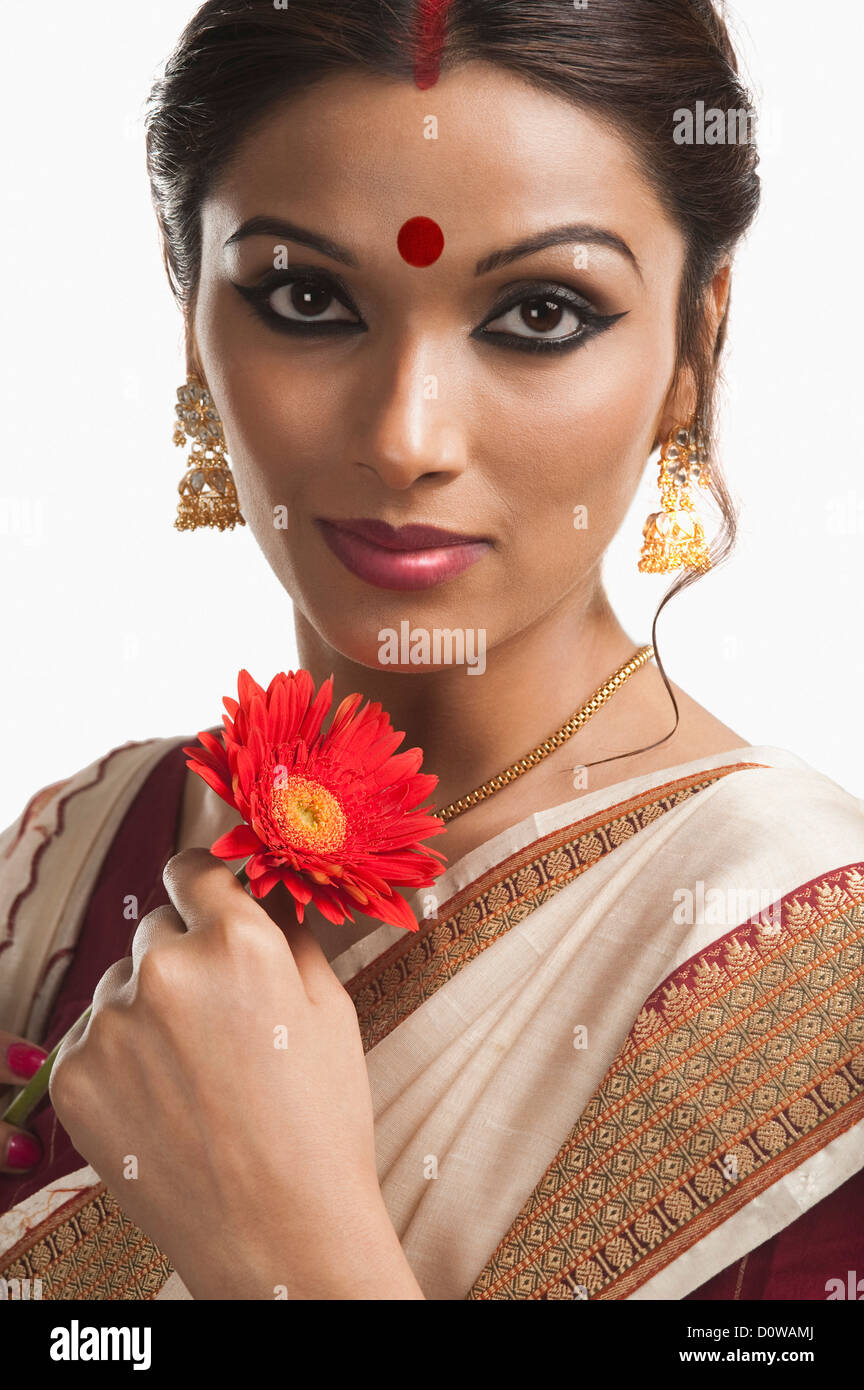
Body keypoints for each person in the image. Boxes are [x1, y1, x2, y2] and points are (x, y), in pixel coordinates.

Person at [1, 0, 862, 1300]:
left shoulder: (814, 984)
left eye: (540, 314)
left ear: (697, 341)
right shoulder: (76, 859)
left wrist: (286, 1243)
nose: (408, 437)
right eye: (305, 296)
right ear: (191, 323)